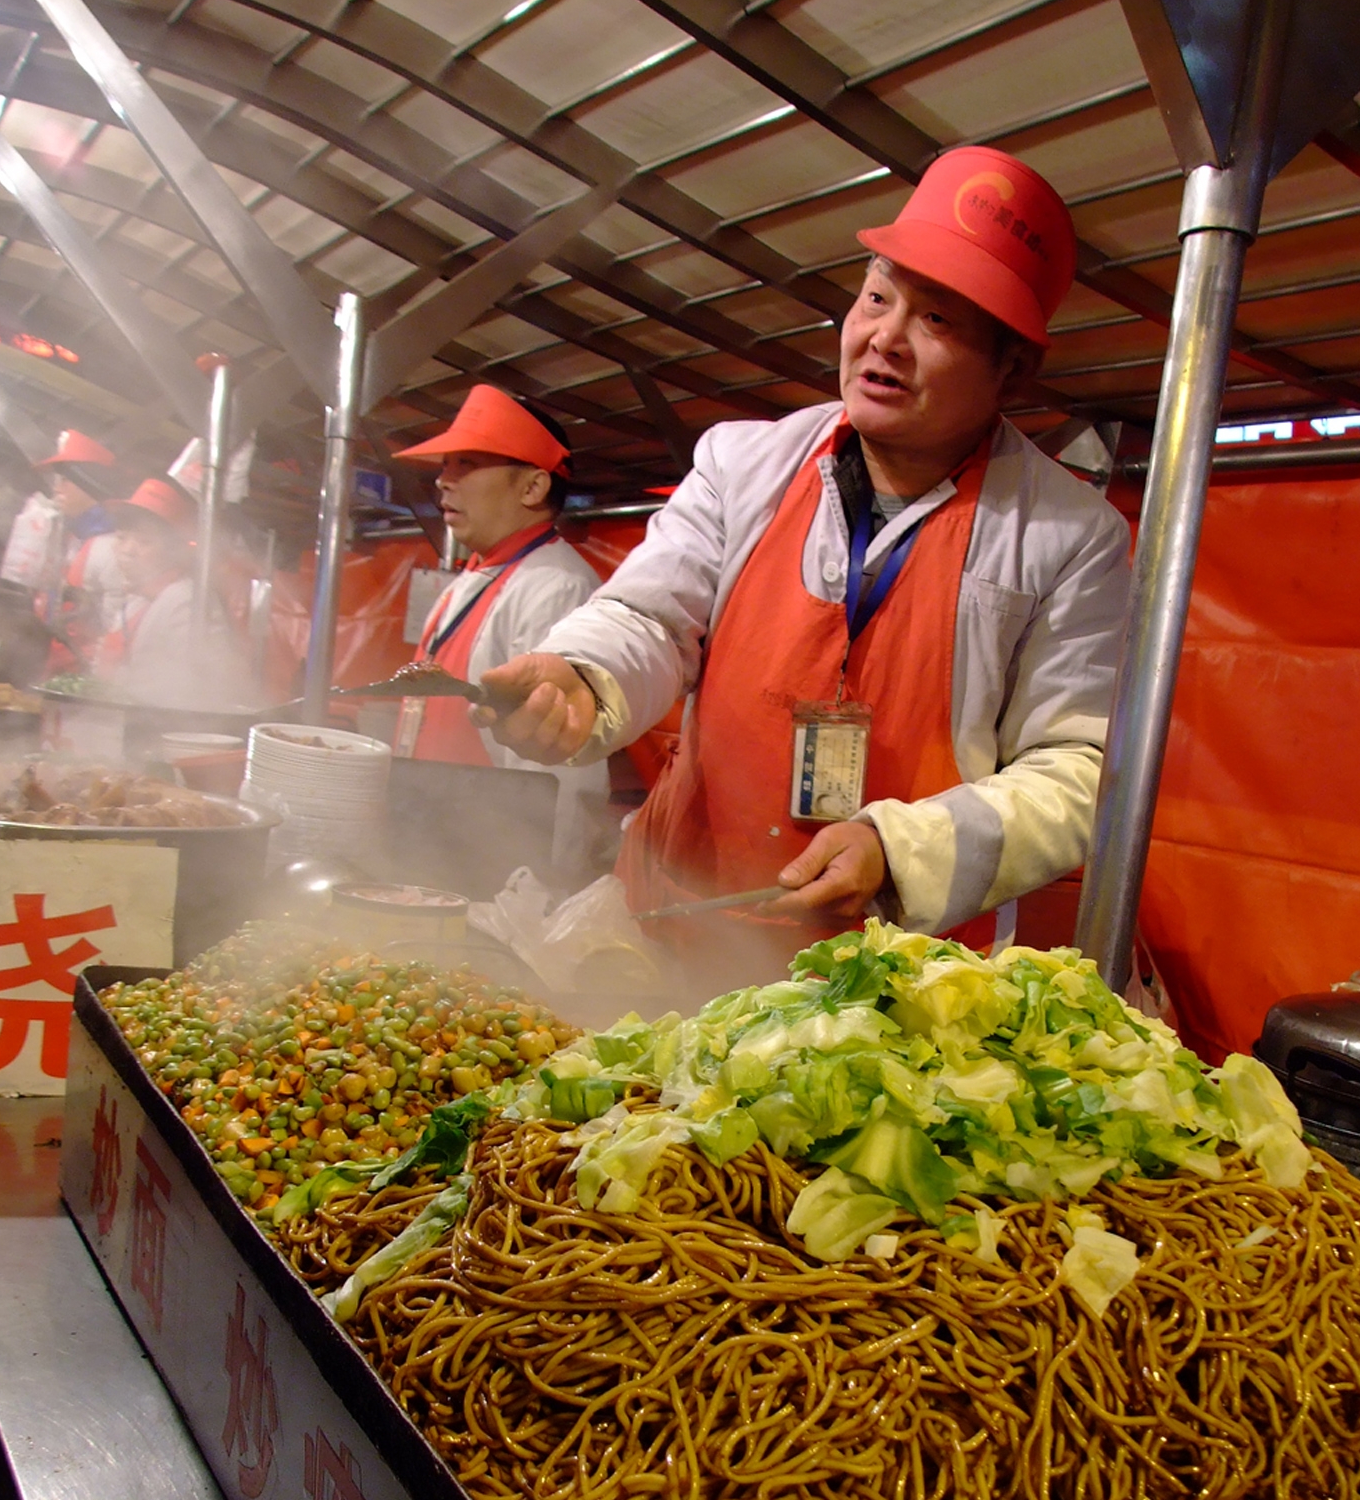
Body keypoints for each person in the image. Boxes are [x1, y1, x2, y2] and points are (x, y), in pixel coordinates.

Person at [473, 146, 1131, 959]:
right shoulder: (739, 462)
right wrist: (580, 672)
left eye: (936, 320)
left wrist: (901, 847)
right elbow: (646, 617)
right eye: (877, 297)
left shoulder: (1070, 537)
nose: (885, 338)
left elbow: (1079, 768)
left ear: (1012, 367)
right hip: (674, 922)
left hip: (897, 970)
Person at [395, 386, 610, 882]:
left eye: (466, 463)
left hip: (492, 867)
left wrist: (538, 895)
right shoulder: (475, 576)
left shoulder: (555, 586)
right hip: (434, 844)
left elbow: (561, 772)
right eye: (446, 465)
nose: (443, 481)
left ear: (532, 488)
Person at [105, 477, 247, 708]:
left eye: (144, 542)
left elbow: (211, 686)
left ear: (173, 551)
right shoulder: (137, 599)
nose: (127, 551)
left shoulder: (187, 601)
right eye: (121, 538)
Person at [32, 429, 126, 672]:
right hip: (61, 673)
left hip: (84, 685)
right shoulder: (77, 539)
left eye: (64, 480)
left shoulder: (109, 548)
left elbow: (115, 633)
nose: (56, 490)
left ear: (89, 485)